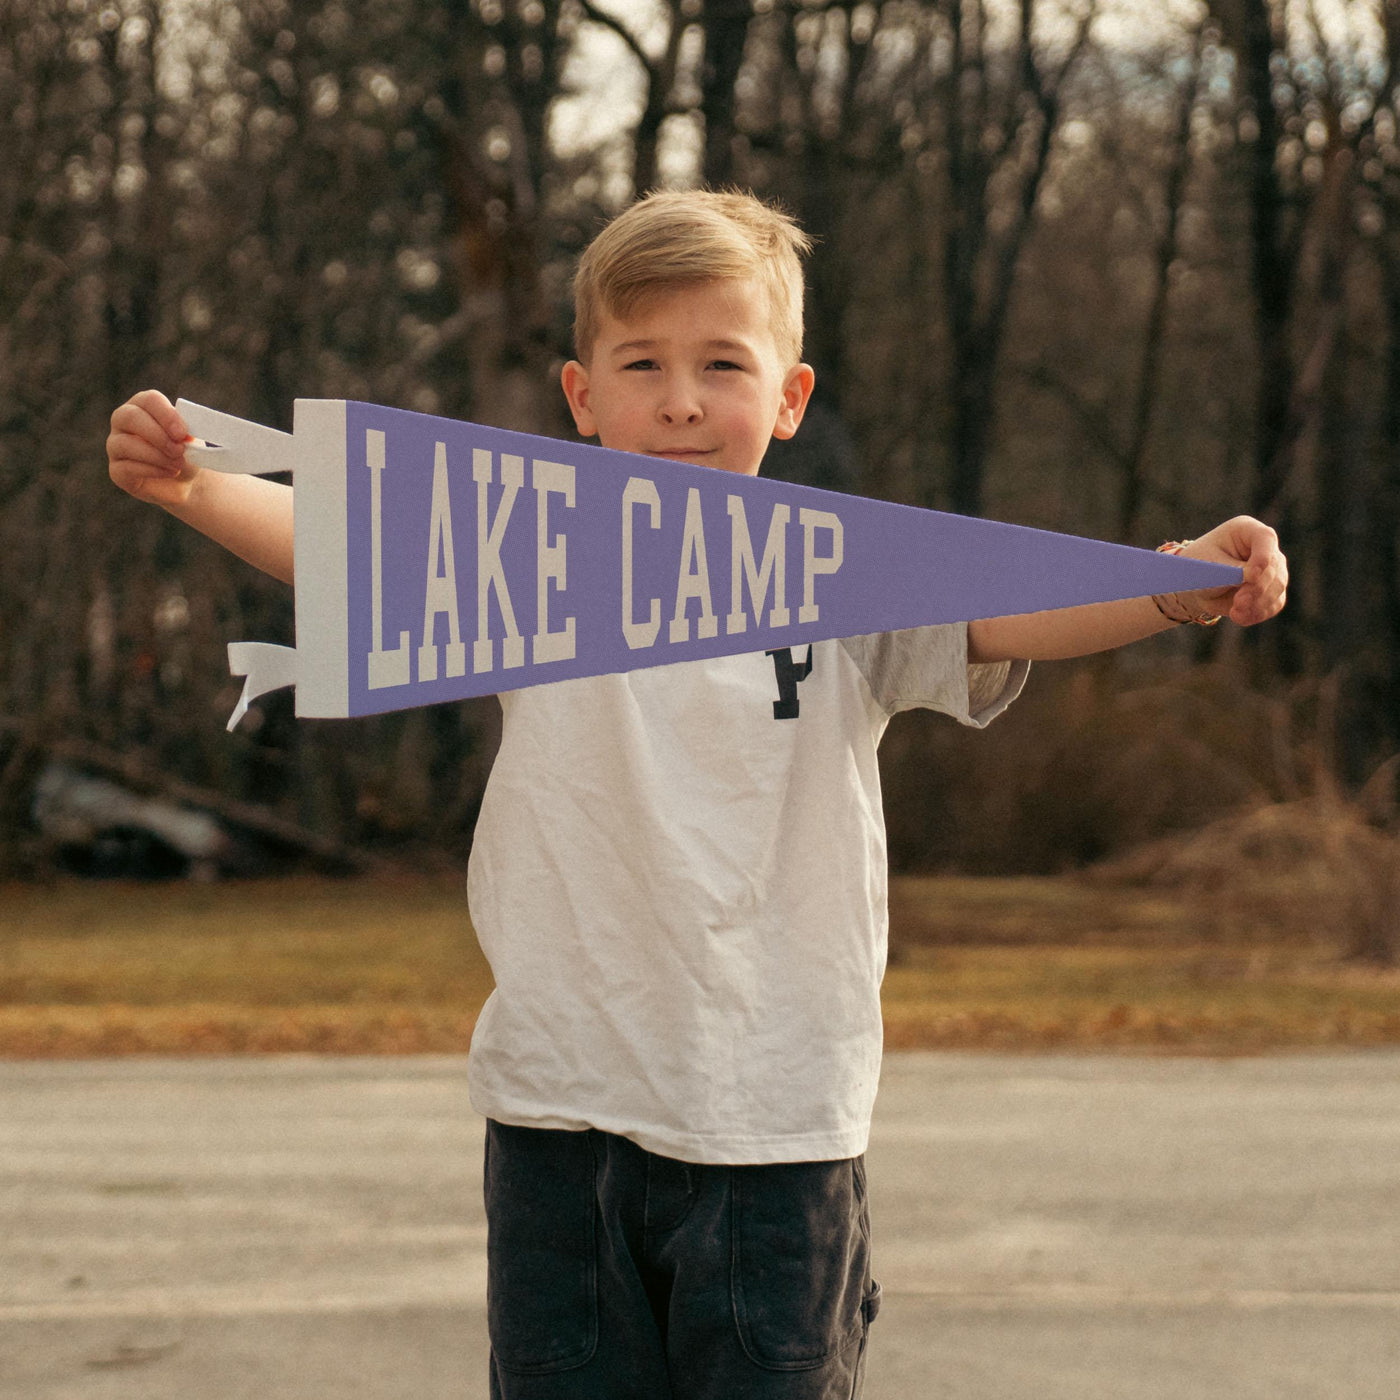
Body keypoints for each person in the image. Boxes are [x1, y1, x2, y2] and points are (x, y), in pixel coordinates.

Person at [108, 189, 1288, 1399]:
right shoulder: (535, 559)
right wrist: (195, 490)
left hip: (774, 1121)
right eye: (642, 363)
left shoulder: (839, 572)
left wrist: (1170, 584)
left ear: (786, 399)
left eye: (721, 363)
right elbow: (359, 548)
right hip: (559, 1114)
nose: (679, 398)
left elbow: (1010, 603)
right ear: (582, 398)